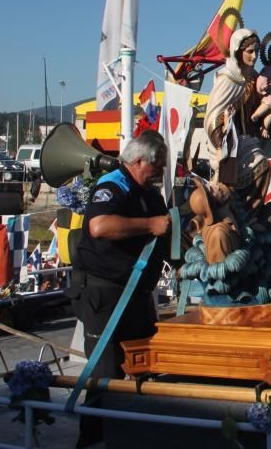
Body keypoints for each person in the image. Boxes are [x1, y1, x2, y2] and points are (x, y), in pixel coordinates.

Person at [67, 131, 172, 447]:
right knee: (105, 374)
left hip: (136, 298)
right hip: (105, 297)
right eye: (159, 166)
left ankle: (131, 436)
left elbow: (167, 229)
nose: (162, 172)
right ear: (140, 161)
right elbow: (99, 227)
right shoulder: (114, 185)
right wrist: (148, 225)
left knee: (144, 365)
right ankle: (92, 441)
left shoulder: (148, 193)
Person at [204, 28, 271, 205]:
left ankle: (250, 214)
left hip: (246, 138)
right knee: (250, 167)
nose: (254, 56)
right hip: (226, 141)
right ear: (237, 51)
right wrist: (222, 142)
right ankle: (233, 212)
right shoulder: (228, 79)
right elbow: (212, 115)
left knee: (263, 166)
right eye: (250, 51)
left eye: (257, 51)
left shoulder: (256, 78)